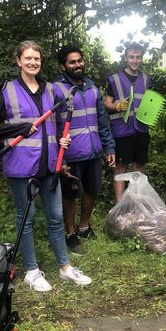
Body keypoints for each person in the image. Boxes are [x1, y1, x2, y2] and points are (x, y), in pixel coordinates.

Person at [0, 40, 92, 292]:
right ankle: (32, 271)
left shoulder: (49, 89)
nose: (33, 62)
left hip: (50, 166)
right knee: (27, 218)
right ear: (18, 60)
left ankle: (65, 267)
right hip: (21, 166)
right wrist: (18, 127)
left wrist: (61, 139)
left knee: (56, 217)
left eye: (37, 59)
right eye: (28, 58)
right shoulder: (8, 90)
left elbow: (55, 122)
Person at [53, 46, 116, 256]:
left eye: (79, 60)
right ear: (64, 66)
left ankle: (84, 227)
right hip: (70, 153)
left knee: (92, 190)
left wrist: (108, 146)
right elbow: (53, 126)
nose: (77, 65)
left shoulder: (93, 88)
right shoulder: (56, 89)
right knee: (71, 194)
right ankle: (70, 234)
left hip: (94, 150)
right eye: (72, 62)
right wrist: (58, 156)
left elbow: (102, 121)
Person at [104, 42, 150, 202]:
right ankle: (119, 206)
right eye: (131, 57)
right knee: (120, 168)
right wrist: (116, 106)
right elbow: (106, 103)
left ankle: (139, 203)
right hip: (122, 130)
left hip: (141, 129)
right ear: (126, 58)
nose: (135, 60)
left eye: (138, 57)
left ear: (142, 58)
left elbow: (148, 102)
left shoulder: (146, 79)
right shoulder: (114, 79)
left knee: (139, 166)